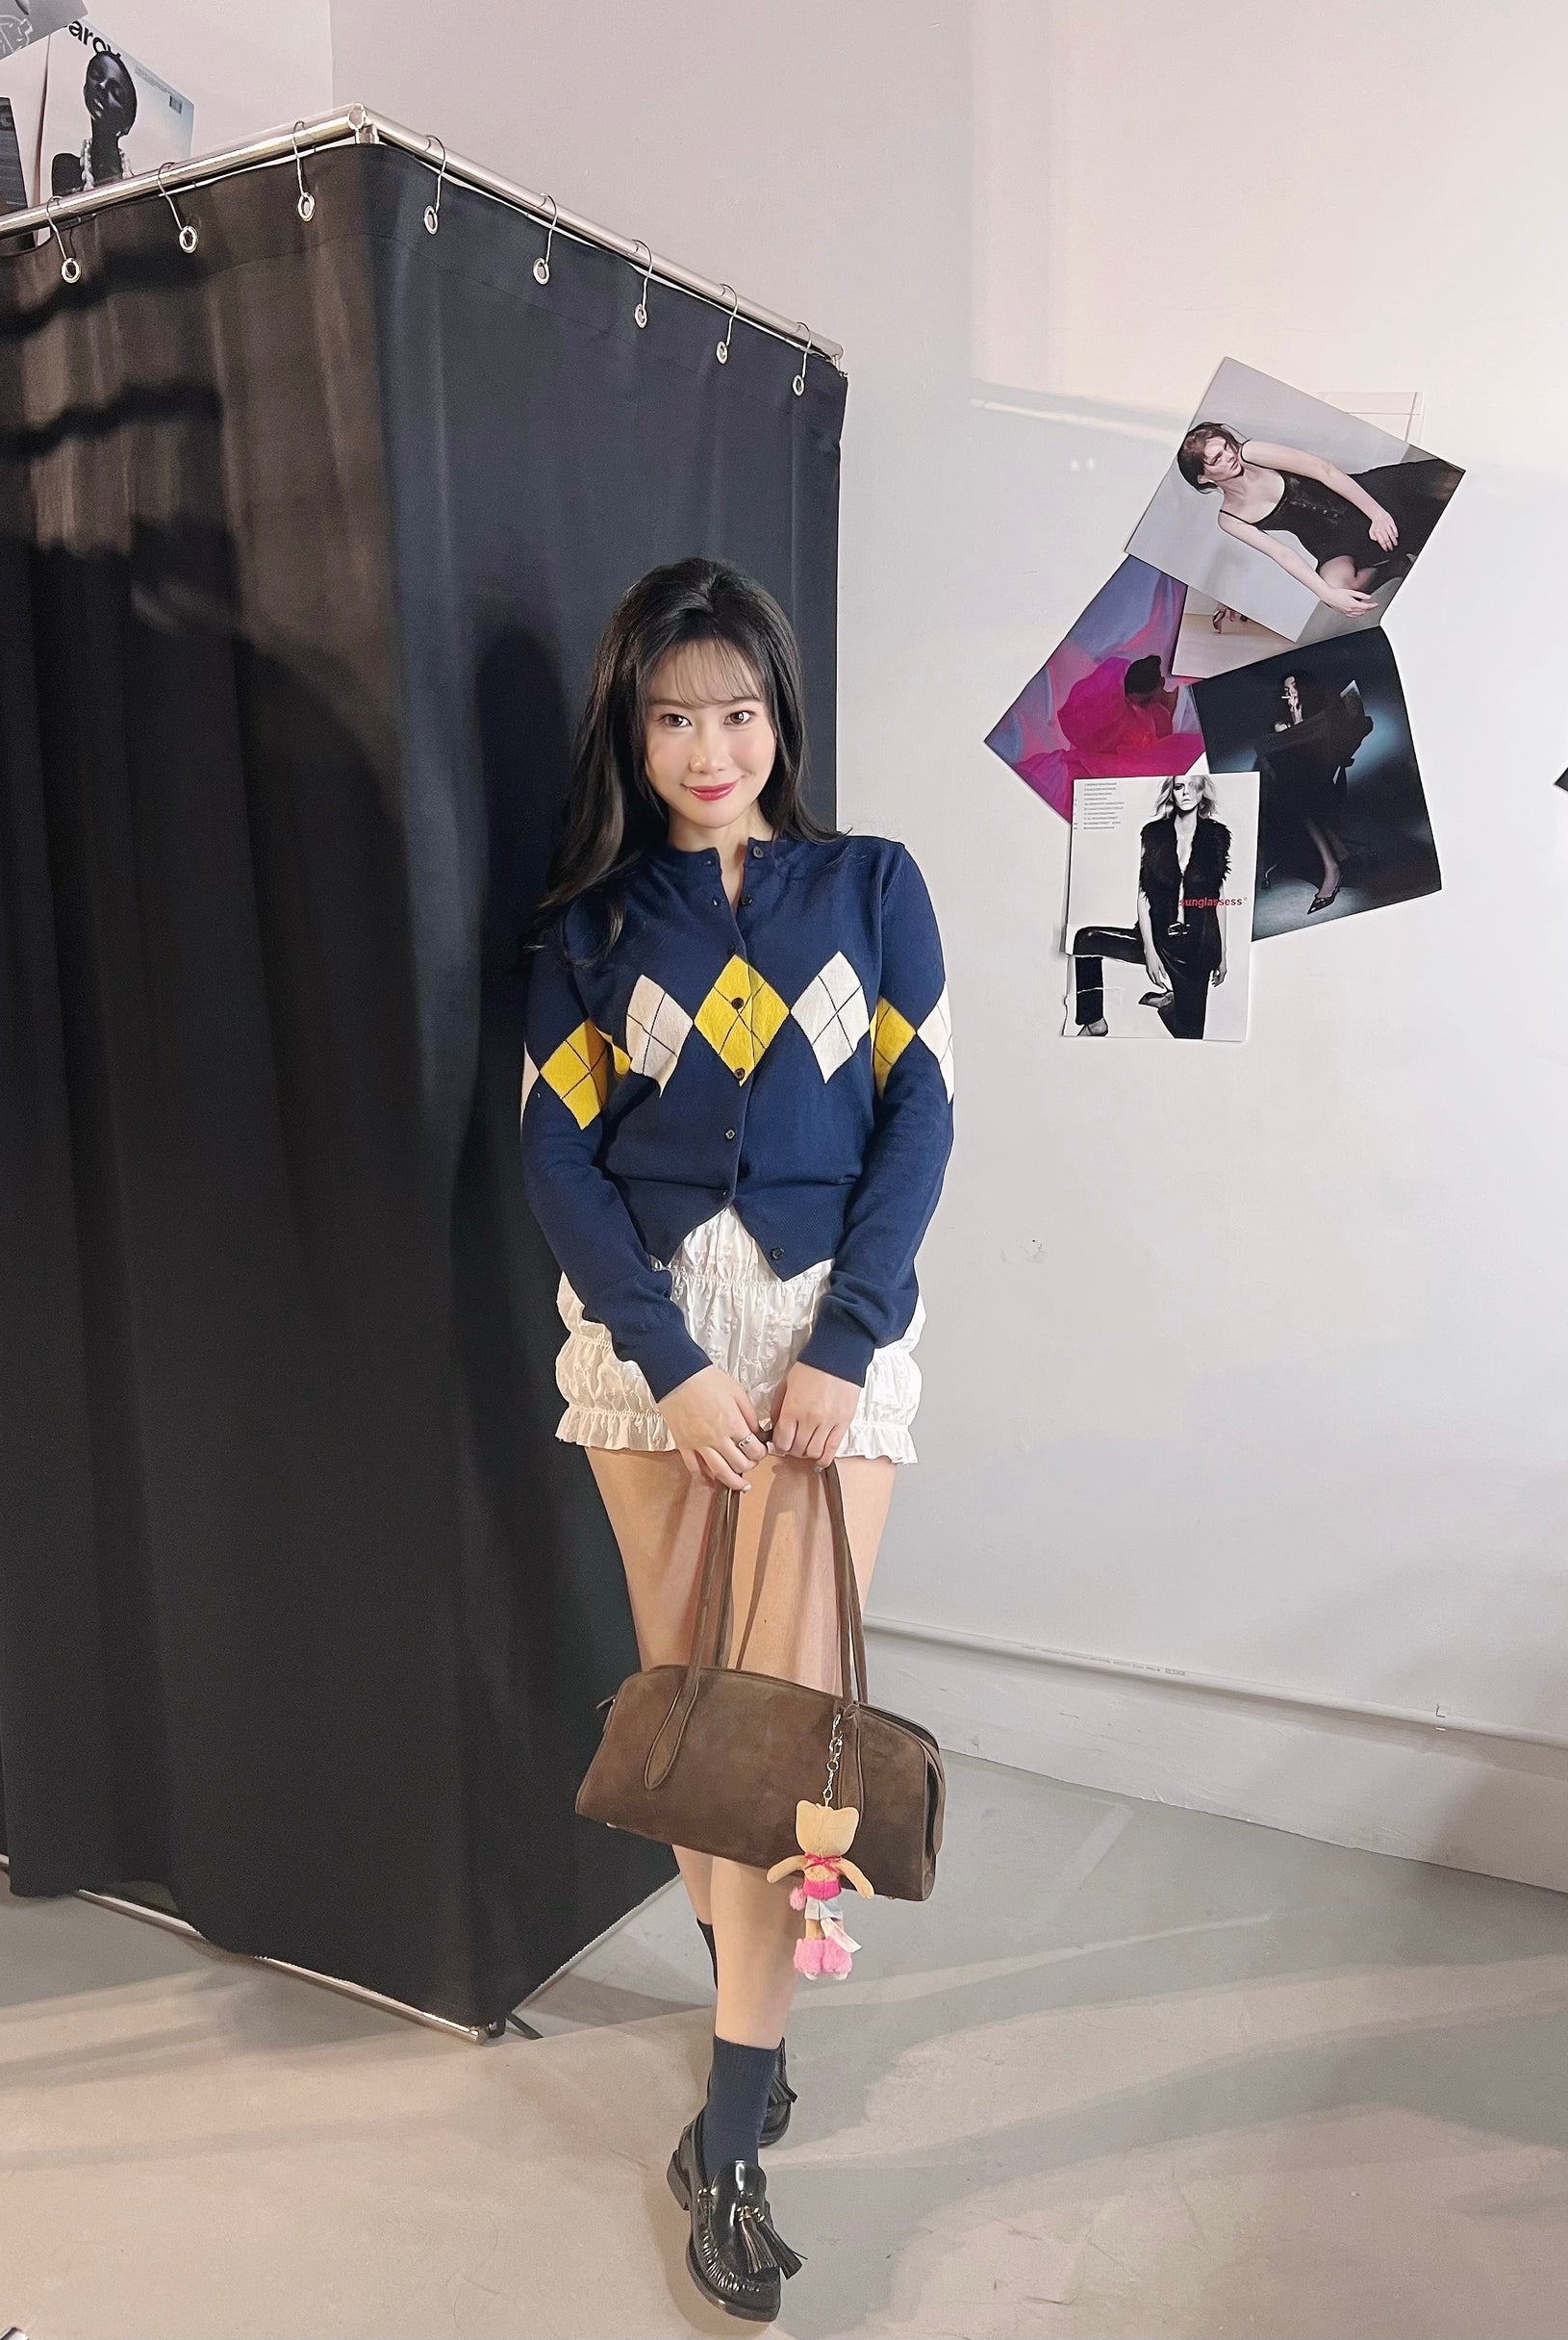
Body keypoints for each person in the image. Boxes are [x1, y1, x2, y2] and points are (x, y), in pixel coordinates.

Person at [520, 557, 954, 2322]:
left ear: (782, 716)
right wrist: (669, 1363)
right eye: (671, 717)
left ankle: (729, 2125)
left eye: (739, 711)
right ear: (630, 734)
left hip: (828, 1337)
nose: (709, 748)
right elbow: (555, 1154)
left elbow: (921, 1115)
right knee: (695, 1710)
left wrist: (844, 1342)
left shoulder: (872, 887)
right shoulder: (590, 924)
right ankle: (747, 2022)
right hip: (658, 1348)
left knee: (783, 1732)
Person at [1177, 421, 1458, 621]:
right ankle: (1393, 566)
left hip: (1358, 496)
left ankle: (1399, 537)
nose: (1230, 455)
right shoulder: (1229, 518)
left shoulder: (1253, 452)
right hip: (1331, 542)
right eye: (1217, 458)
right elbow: (1281, 553)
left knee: (1446, 482)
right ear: (1204, 477)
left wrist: (1377, 513)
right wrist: (1326, 594)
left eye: (1227, 446)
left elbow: (1325, 471)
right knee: (1336, 590)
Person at [1071, 771, 1230, 1039]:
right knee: (1086, 939)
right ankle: (1094, 1022)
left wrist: (1223, 955)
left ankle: (1168, 1003)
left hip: (1198, 949)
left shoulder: (1216, 837)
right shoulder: (1154, 834)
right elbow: (1143, 896)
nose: (1186, 792)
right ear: (1172, 793)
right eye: (1179, 787)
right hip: (1158, 938)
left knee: (1189, 1036)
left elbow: (1219, 899)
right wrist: (1150, 951)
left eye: (1193, 786)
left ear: (1202, 792)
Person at [1256, 669, 1374, 913]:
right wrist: (1294, 715)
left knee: (1300, 794)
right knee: (1297, 792)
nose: (1290, 693)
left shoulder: (1322, 716)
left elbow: (1329, 752)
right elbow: (1288, 749)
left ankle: (1335, 863)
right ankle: (1334, 862)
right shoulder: (1281, 723)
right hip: (1303, 786)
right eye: (1286, 690)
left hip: (1324, 781)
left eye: (1295, 687)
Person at [1054, 651, 1203, 778]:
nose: (1146, 708)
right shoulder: (1147, 723)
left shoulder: (1197, 700)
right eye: (1138, 704)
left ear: (1161, 683)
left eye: (1147, 700)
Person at [51, 48, 139, 195]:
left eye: (115, 91)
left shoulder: (140, 190)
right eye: (96, 76)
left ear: (127, 123)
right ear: (85, 90)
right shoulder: (65, 167)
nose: (102, 86)